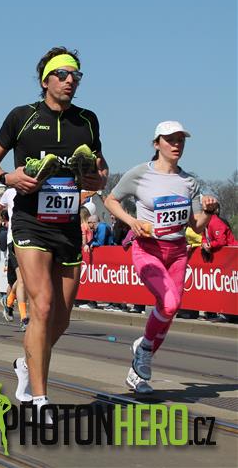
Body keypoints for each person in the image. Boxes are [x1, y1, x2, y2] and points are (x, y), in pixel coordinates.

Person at [0, 47, 108, 420]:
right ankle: (39, 399)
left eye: (76, 76)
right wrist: (9, 177)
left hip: (67, 225)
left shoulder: (87, 121)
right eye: (63, 75)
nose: (70, 81)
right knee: (43, 306)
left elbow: (101, 170)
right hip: (30, 222)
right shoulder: (22, 117)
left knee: (62, 318)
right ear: (45, 80)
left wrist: (96, 178)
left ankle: (27, 362)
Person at [104, 120, 218, 394]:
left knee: (170, 309)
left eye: (181, 140)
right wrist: (131, 221)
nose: (176, 144)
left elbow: (195, 226)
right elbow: (110, 200)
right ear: (157, 144)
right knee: (169, 303)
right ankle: (144, 348)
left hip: (177, 251)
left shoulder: (189, 182)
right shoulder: (139, 173)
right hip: (148, 249)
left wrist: (209, 211)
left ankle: (137, 374)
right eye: (170, 139)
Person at [0, 188, 29, 330]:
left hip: (33, 240)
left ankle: (8, 302)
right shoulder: (10, 192)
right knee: (22, 279)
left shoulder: (38, 188)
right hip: (14, 239)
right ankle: (24, 318)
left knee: (25, 279)